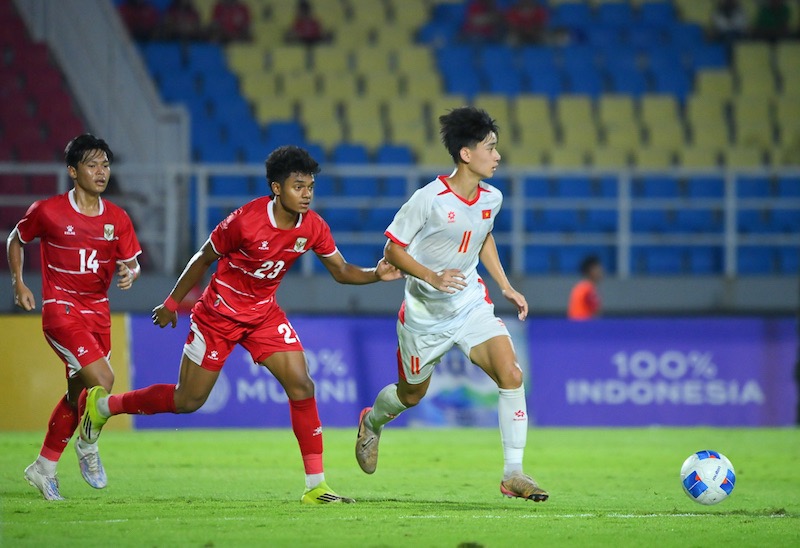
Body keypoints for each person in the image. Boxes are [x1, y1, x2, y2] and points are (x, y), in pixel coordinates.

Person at [80, 145, 401, 504]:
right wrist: (172, 303)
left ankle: (316, 487)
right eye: (298, 186)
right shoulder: (245, 221)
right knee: (187, 400)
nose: (307, 194)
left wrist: (376, 274)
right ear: (277, 188)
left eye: (310, 186)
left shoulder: (312, 227)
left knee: (302, 385)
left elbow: (341, 271)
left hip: (263, 315)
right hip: (217, 316)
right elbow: (203, 257)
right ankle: (105, 407)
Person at [355, 107, 549, 502]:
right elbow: (393, 248)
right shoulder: (428, 199)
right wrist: (431, 276)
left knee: (511, 373)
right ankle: (372, 421)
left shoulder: (492, 197)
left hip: (470, 304)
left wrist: (506, 286)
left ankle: (513, 473)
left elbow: (483, 236)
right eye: (490, 148)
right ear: (466, 153)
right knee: (411, 396)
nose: (497, 156)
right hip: (425, 316)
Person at [8, 134, 142, 500]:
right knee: (105, 378)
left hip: (99, 312)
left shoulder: (118, 217)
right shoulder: (48, 211)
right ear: (73, 171)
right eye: (92, 165)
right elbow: (16, 239)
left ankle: (43, 468)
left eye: (105, 165)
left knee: (77, 398)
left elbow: (132, 262)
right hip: (61, 310)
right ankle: (88, 444)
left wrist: (131, 272)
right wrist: (19, 282)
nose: (101, 172)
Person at [567, 255, 603, 321]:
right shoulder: (587, 289)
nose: (601, 271)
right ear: (591, 270)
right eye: (598, 269)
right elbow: (596, 313)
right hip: (584, 326)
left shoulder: (580, 287)